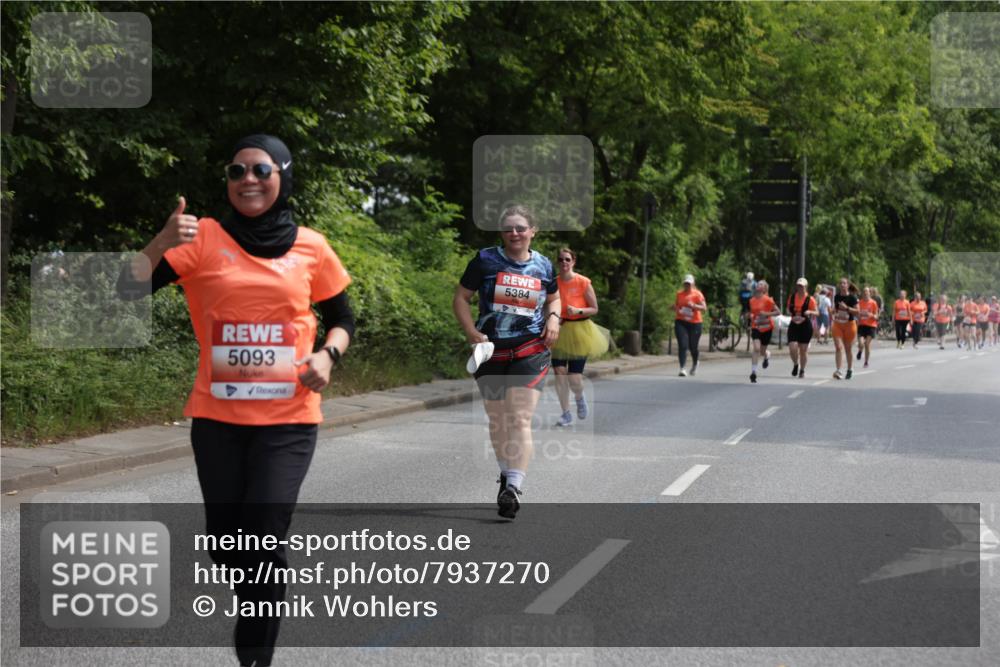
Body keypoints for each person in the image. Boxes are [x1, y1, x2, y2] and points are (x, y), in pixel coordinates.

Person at [118, 134, 354, 667]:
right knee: (228, 548)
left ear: (283, 176)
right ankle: (255, 609)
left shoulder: (312, 246)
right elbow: (125, 291)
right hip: (218, 420)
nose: (248, 179)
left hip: (289, 419)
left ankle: (254, 658)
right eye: (237, 171)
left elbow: (343, 318)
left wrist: (328, 356)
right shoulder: (201, 238)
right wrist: (158, 241)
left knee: (264, 541)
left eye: (261, 170)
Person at [453, 205, 559, 520]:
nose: (515, 233)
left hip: (530, 349)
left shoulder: (543, 265)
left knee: (520, 418)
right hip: (491, 351)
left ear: (533, 231)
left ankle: (513, 487)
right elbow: (461, 298)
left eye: (521, 228)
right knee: (498, 419)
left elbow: (553, 296)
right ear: (502, 233)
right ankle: (505, 473)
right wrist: (471, 332)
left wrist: (553, 317)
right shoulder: (485, 260)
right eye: (509, 228)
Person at [549, 248, 609, 427]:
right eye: (560, 260)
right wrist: (552, 318)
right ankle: (566, 413)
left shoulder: (583, 282)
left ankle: (579, 397)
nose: (564, 263)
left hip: (580, 330)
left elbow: (595, 308)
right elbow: (547, 304)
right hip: (560, 329)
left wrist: (578, 310)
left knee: (574, 377)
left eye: (567, 259)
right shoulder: (554, 283)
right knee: (559, 373)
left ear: (573, 261)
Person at [673, 274, 707, 377]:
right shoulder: (679, 294)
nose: (687, 285)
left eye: (689, 284)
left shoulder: (698, 294)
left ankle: (695, 362)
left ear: (693, 284)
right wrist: (674, 308)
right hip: (681, 321)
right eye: (685, 283)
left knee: (693, 347)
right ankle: (682, 368)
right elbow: (677, 306)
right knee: (683, 345)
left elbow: (704, 308)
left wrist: (694, 306)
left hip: (695, 323)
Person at [747, 279, 780, 383]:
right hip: (756, 327)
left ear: (764, 288)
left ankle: (767, 355)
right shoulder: (751, 300)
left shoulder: (768, 300)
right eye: (758, 283)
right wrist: (750, 316)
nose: (759, 284)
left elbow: (778, 312)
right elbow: (749, 313)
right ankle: (753, 372)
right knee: (756, 348)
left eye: (761, 284)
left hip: (767, 328)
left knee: (761, 351)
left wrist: (766, 314)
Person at [786, 277, 817, 378]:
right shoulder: (792, 297)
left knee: (803, 350)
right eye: (799, 286)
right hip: (794, 324)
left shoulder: (810, 299)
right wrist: (789, 312)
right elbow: (788, 308)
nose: (800, 288)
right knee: (792, 347)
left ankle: (802, 370)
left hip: (805, 326)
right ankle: (796, 364)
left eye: (802, 286)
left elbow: (817, 312)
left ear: (806, 287)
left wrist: (810, 312)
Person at [831, 277, 859, 379]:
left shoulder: (852, 298)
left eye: (844, 283)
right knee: (838, 347)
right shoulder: (836, 297)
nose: (842, 285)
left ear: (847, 285)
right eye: (841, 283)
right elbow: (836, 309)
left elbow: (857, 311)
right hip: (838, 324)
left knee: (848, 349)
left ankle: (850, 369)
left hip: (849, 325)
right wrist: (833, 311)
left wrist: (847, 308)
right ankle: (838, 370)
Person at [856, 286, 879, 368]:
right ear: (862, 293)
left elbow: (877, 316)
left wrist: (871, 315)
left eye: (867, 292)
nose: (865, 293)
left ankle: (866, 362)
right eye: (864, 292)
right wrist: (858, 316)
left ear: (870, 293)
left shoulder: (873, 303)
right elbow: (857, 314)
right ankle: (860, 350)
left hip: (871, 326)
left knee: (867, 344)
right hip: (861, 325)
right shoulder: (859, 302)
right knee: (861, 343)